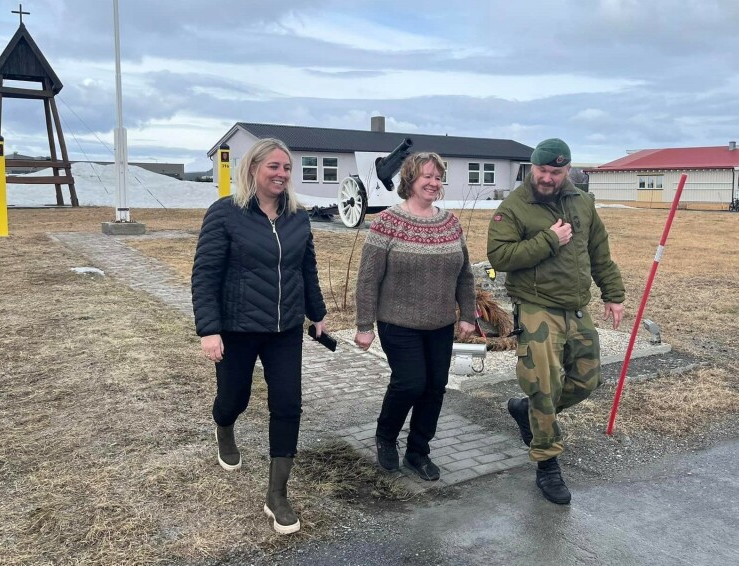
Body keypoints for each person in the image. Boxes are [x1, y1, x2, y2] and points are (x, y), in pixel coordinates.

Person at [191, 138, 327, 534]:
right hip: (237, 327)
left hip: (284, 331)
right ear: (253, 169)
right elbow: (205, 275)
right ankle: (224, 425)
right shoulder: (224, 214)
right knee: (235, 397)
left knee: (288, 404)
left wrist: (316, 314)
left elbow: (307, 269)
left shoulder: (298, 217)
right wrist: (209, 329)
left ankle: (277, 495)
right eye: (274, 166)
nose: (282, 174)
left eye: (287, 167)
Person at [486, 138, 625, 505]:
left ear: (568, 171)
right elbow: (499, 256)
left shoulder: (583, 201)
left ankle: (526, 410)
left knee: (587, 379)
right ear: (532, 167)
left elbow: (599, 251)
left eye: (556, 171)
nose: (547, 178)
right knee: (544, 386)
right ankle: (547, 463)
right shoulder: (514, 207)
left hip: (576, 307)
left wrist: (613, 294)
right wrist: (549, 239)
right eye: (542, 170)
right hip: (537, 307)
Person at [354, 151, 476, 481]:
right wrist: (364, 325)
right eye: (427, 177)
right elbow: (368, 278)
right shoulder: (387, 223)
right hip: (398, 322)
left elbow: (465, 274)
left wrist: (468, 314)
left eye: (438, 177)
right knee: (410, 383)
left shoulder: (451, 223)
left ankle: (418, 452)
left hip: (440, 324)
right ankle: (385, 436)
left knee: (435, 387)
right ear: (410, 179)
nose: (434, 183)